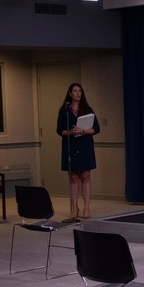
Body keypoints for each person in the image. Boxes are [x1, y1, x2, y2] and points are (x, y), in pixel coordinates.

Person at [56, 82, 100, 220]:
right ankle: (74, 207)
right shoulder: (65, 111)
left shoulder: (88, 109)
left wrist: (83, 131)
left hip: (85, 144)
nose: (77, 93)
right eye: (75, 91)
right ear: (70, 93)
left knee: (85, 176)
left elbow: (96, 129)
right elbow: (59, 131)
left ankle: (86, 207)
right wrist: (71, 132)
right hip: (71, 144)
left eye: (79, 91)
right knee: (74, 177)